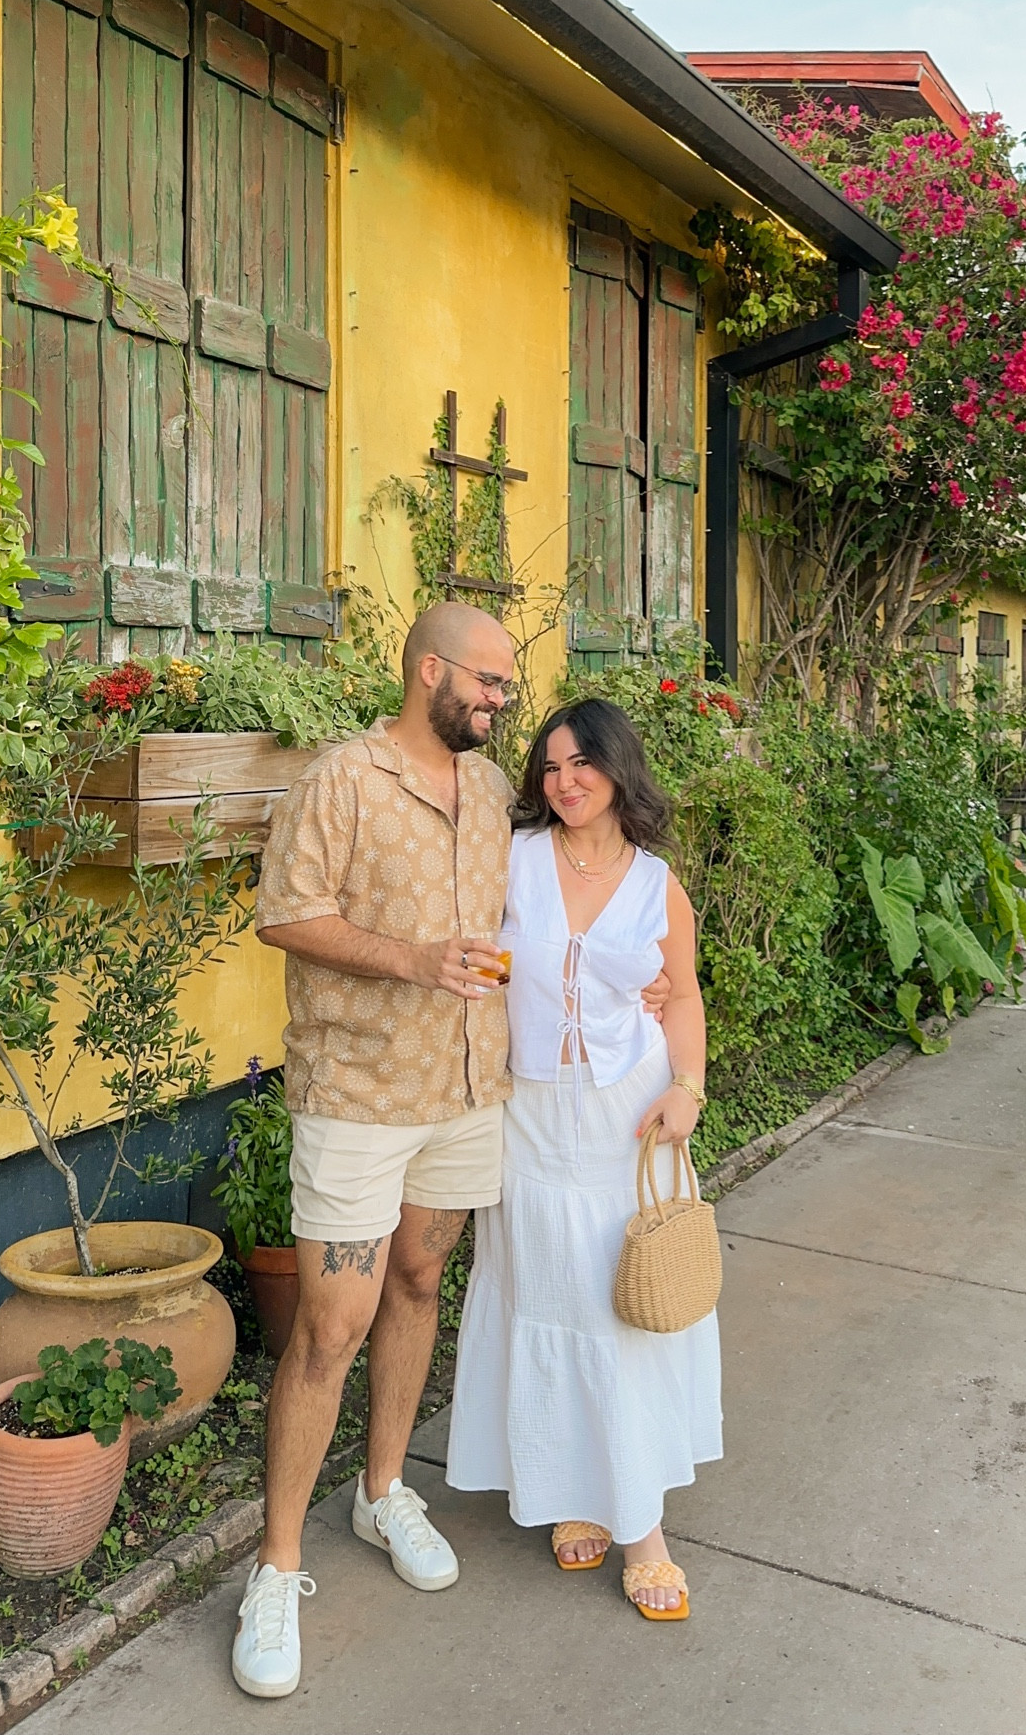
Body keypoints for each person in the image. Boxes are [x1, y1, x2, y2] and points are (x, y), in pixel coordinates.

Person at [234, 601, 518, 1698]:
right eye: (489, 682)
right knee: (329, 1326)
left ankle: (383, 1490)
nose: (501, 700)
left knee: (416, 1279)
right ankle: (277, 1567)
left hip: (463, 1086)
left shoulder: (491, 792)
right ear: (430, 670)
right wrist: (410, 960)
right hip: (355, 1095)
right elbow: (283, 915)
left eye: (506, 685)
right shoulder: (341, 780)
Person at [446, 696, 721, 1620]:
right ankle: (569, 1488)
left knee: (623, 1306)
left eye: (581, 764)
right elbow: (478, 960)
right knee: (546, 1294)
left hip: (625, 1119)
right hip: (529, 1114)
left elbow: (680, 995)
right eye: (551, 767)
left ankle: (642, 1528)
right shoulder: (513, 859)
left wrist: (686, 1085)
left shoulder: (655, 882)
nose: (564, 781)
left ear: (616, 769)